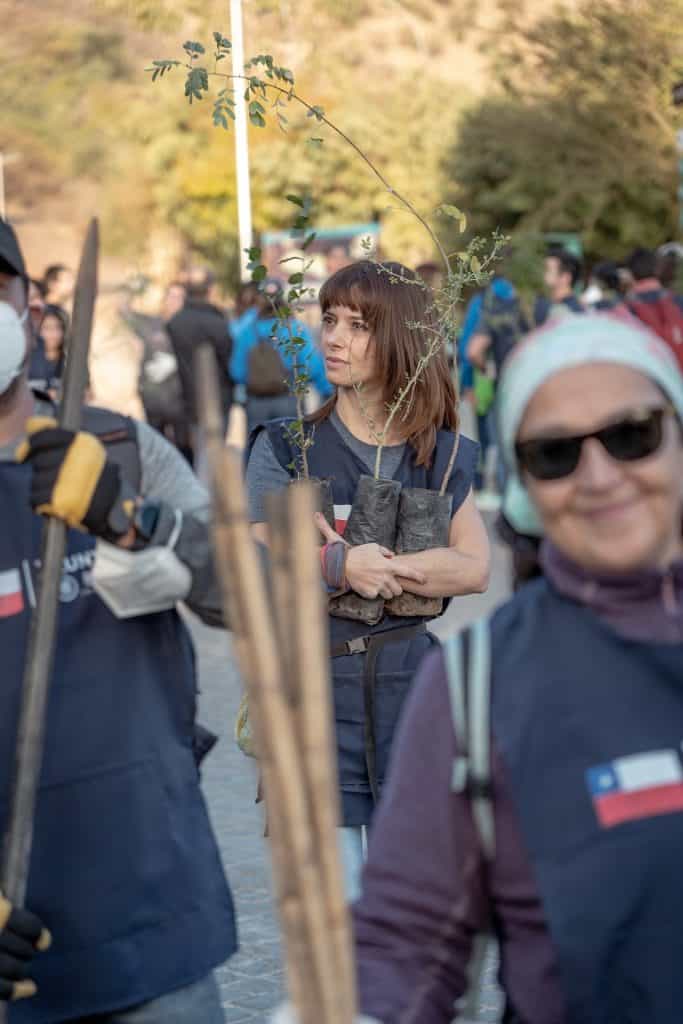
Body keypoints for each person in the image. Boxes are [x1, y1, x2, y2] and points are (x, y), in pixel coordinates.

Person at [353, 310, 683, 1023]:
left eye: (633, 436)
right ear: (525, 485)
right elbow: (408, 945)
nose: (600, 477)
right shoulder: (479, 685)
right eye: (555, 455)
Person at [0, 220, 236, 1022]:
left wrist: (137, 522)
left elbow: (257, 598)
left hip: (155, 924)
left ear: (28, 307)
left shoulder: (122, 448)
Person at [247, 260, 490, 900]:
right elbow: (259, 557)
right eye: (328, 320)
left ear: (400, 338)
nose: (333, 337)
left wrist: (388, 565)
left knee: (415, 906)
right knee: (338, 914)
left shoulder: (440, 455)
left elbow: (476, 567)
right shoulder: (285, 446)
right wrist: (337, 564)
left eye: (358, 325)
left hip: (415, 699)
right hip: (317, 701)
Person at [230, 279, 333, 432]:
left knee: (257, 448)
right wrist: (327, 391)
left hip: (256, 402)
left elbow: (236, 371)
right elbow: (312, 366)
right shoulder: (294, 328)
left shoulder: (247, 331)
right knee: (292, 450)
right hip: (289, 399)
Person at [166, 267, 233, 466]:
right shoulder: (217, 323)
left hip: (184, 399)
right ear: (210, 290)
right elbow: (230, 360)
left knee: (194, 454)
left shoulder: (175, 323)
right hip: (217, 398)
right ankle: (207, 495)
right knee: (211, 455)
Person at [120, 280, 191, 460]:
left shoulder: (191, 327)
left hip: (180, 400)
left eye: (180, 297)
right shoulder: (150, 324)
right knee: (155, 448)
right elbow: (123, 310)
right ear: (164, 299)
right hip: (153, 398)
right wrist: (134, 289)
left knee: (184, 448)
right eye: (171, 296)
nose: (174, 301)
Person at [625, 247, 683, 370]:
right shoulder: (677, 301)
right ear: (657, 270)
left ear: (631, 274)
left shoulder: (625, 310)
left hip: (650, 380)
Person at [534, 248, 584, 326]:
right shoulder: (540, 303)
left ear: (565, 277)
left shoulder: (575, 312)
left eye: (547, 269)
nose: (541, 274)